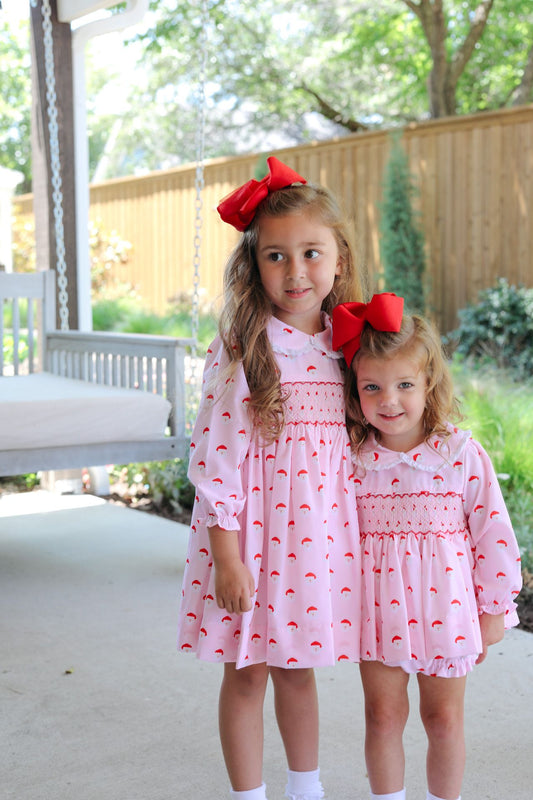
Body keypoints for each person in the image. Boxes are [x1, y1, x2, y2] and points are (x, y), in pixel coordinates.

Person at [177, 156, 364, 800]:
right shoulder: (247, 345)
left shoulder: (350, 348)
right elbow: (216, 457)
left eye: (311, 252)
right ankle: (248, 794)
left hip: (311, 543)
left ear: (338, 257)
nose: (295, 271)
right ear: (255, 266)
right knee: (248, 672)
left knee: (298, 672)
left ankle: (305, 788)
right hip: (249, 539)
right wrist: (226, 558)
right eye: (276, 256)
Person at [332, 294, 522, 800]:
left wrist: (495, 607)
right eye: (372, 387)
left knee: (442, 719)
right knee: (382, 716)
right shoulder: (350, 461)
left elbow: (492, 533)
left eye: (404, 385)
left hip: (447, 606)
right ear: (353, 393)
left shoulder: (459, 453)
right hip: (377, 612)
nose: (388, 400)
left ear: (428, 383)